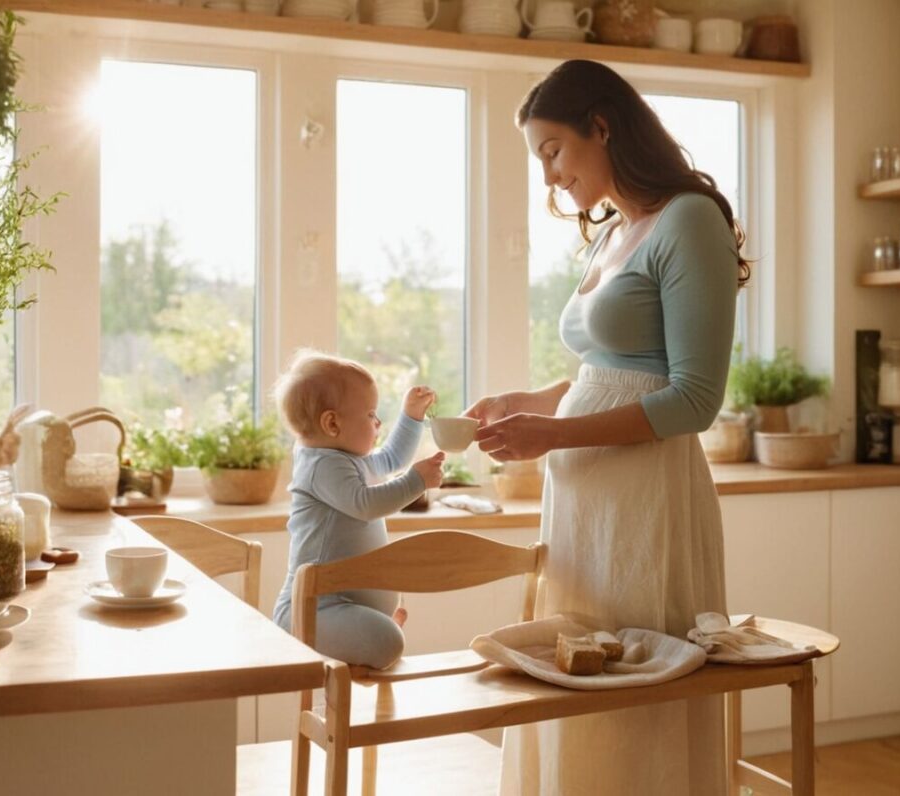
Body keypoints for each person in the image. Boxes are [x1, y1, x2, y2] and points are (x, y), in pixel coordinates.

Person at [466, 60, 748, 795]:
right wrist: (528, 399)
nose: (551, 177)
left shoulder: (689, 219)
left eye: (553, 150)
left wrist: (551, 436)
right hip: (585, 509)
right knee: (580, 671)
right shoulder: (616, 233)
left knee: (634, 685)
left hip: (645, 502)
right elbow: (611, 371)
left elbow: (692, 398)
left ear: (602, 124)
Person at [272, 350, 445, 670]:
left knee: (384, 636)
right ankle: (376, 630)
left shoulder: (349, 460)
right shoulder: (321, 465)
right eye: (370, 414)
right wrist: (417, 482)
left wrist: (411, 417)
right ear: (332, 423)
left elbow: (392, 460)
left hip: (342, 606)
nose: (378, 422)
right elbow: (365, 505)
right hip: (314, 607)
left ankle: (373, 625)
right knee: (388, 642)